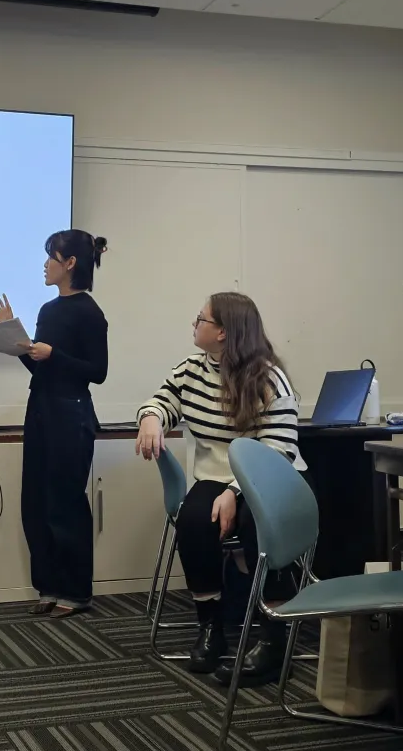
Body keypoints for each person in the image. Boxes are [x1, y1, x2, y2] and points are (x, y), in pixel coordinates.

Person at [135, 292, 306, 684]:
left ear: (224, 333)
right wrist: (150, 418)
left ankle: (273, 638)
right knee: (194, 520)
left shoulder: (268, 377)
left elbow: (278, 449)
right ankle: (210, 627)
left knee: (257, 526)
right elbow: (162, 400)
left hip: (269, 476)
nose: (193, 325)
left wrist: (235, 491)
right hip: (215, 476)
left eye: (201, 319)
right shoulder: (192, 369)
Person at [0, 229, 109, 618]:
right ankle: (49, 586)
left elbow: (98, 371)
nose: (45, 264)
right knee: (36, 501)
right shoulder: (48, 310)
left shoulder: (89, 312)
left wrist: (53, 354)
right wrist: (14, 339)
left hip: (71, 412)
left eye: (51, 257)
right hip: (40, 408)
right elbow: (38, 363)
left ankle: (75, 593)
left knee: (65, 503)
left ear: (70, 263)